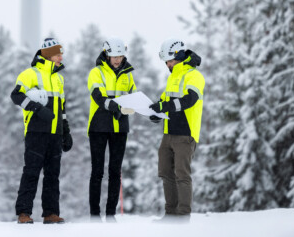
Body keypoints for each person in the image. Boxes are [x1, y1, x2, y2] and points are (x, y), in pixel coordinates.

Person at [10, 37, 73, 224]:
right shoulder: (29, 74)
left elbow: (62, 109)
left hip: (55, 134)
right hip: (36, 132)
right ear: (47, 54)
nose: (61, 56)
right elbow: (16, 96)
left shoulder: (59, 79)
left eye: (61, 53)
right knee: (31, 172)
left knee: (53, 176)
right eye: (57, 53)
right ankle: (24, 213)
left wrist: (66, 131)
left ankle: (50, 214)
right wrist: (37, 108)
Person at [148, 39, 205, 222]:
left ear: (179, 56)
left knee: (182, 174)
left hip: (185, 133)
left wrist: (164, 106)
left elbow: (190, 100)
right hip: (168, 133)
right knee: (166, 173)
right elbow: (166, 101)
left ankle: (183, 217)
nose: (168, 64)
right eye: (166, 61)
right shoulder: (173, 78)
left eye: (170, 60)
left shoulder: (194, 75)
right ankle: (170, 215)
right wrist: (156, 112)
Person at [86, 37, 138, 222]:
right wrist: (116, 106)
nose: (117, 59)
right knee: (97, 171)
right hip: (99, 126)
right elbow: (98, 96)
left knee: (115, 171)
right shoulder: (96, 72)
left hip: (120, 128)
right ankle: (94, 215)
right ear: (106, 55)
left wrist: (138, 106)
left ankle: (110, 214)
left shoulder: (128, 74)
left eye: (120, 55)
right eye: (114, 56)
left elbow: (133, 96)